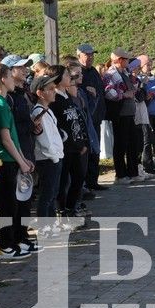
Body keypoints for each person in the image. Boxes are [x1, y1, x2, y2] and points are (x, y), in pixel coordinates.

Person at [0, 63, 35, 260]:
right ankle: (4, 244)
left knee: (14, 204)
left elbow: (13, 138)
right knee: (7, 205)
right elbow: (5, 139)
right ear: (3, 79)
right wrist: (21, 162)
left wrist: (23, 159)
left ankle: (13, 240)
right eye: (10, 76)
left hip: (12, 159)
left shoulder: (4, 102)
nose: (14, 81)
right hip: (5, 161)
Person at [51, 64, 91, 218]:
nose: (70, 78)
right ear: (58, 79)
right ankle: (62, 211)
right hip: (65, 148)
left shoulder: (68, 97)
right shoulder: (55, 100)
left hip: (76, 146)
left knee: (78, 178)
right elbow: (59, 127)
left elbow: (76, 121)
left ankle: (71, 207)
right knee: (62, 182)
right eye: (67, 75)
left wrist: (82, 143)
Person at [104, 48, 140, 184]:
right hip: (120, 113)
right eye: (126, 60)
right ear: (120, 60)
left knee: (132, 143)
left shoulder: (125, 72)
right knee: (120, 144)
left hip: (129, 112)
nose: (128, 62)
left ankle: (133, 172)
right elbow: (108, 92)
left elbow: (133, 88)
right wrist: (123, 95)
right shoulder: (111, 74)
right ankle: (120, 174)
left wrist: (134, 82)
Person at [30, 72, 64, 218]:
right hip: (47, 159)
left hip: (53, 157)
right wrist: (55, 156)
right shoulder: (39, 112)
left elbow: (54, 133)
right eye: (50, 89)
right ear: (40, 93)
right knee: (47, 195)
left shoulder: (47, 110)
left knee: (52, 194)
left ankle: (51, 223)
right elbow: (45, 140)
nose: (54, 91)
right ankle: (46, 227)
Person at [78, 43, 109, 191]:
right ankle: (85, 183)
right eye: (87, 55)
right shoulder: (79, 73)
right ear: (79, 55)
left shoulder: (93, 72)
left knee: (95, 149)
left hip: (96, 116)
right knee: (87, 150)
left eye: (92, 55)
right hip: (86, 117)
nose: (90, 57)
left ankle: (93, 180)